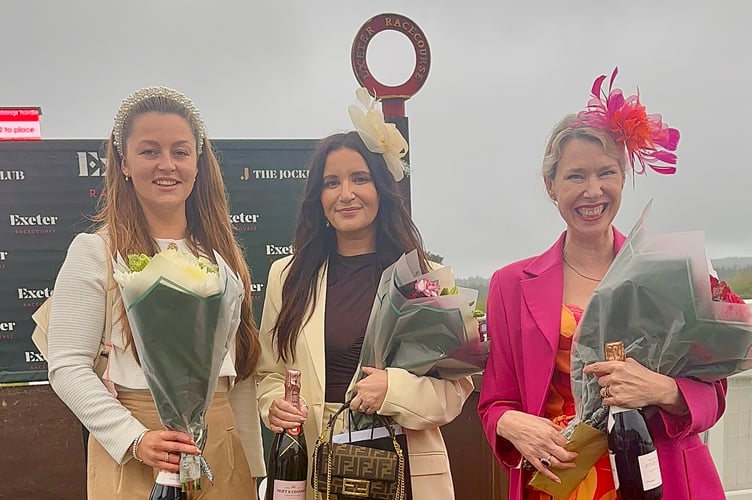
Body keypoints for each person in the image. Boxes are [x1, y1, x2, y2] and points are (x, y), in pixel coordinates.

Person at [478, 70, 726, 500]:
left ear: (623, 177)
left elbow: (714, 393)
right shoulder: (510, 285)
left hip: (656, 480)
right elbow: (494, 402)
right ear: (550, 186)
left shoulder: (669, 274)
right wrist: (507, 423)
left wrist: (662, 389)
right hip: (561, 481)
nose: (593, 191)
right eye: (575, 176)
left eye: (606, 173)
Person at [47, 86, 265, 499]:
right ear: (123, 162)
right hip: (138, 448)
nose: (167, 164)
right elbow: (67, 365)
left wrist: (252, 467)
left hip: (221, 447)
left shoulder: (222, 257)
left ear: (198, 163)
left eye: (180, 151)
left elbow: (237, 376)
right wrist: (133, 438)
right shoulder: (95, 251)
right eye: (149, 151)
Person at [255, 89, 473, 500]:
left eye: (360, 178)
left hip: (405, 476)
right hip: (317, 473)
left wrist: (393, 389)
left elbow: (454, 393)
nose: (346, 193)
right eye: (331, 183)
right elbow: (268, 374)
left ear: (383, 189)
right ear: (317, 199)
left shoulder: (421, 279)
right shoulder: (287, 276)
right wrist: (274, 406)